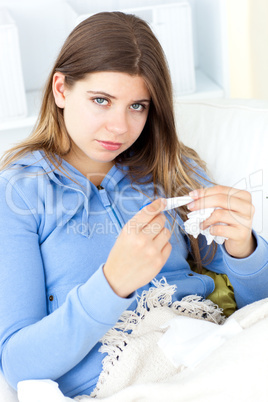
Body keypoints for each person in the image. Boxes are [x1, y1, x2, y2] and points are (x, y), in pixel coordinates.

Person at [0, 11, 267, 399]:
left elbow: (257, 302)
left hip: (211, 345)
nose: (119, 127)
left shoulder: (172, 167)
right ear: (61, 89)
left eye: (137, 106)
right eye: (101, 100)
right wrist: (113, 283)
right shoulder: (19, 194)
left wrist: (245, 248)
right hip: (127, 379)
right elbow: (18, 363)